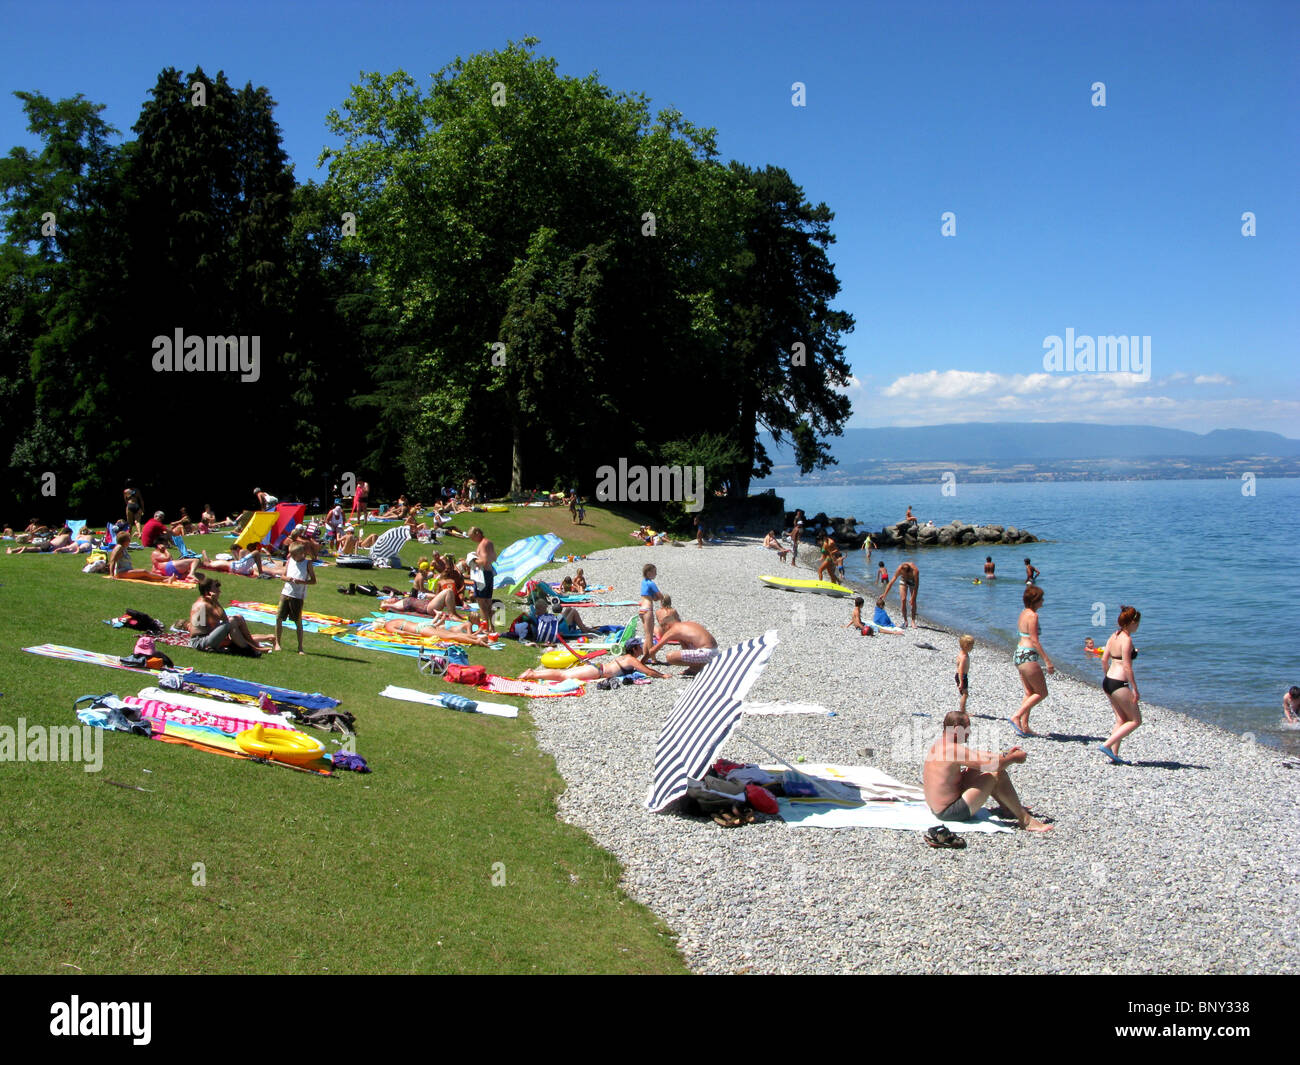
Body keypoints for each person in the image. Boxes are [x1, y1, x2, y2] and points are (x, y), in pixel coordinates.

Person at [922, 711, 1052, 833]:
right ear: (957, 729)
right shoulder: (952, 750)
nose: (970, 732)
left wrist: (1006, 754)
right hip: (949, 812)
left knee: (976, 767)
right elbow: (993, 765)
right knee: (995, 774)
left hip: (938, 807)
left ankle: (1007, 808)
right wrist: (1014, 758)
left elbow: (980, 756)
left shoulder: (941, 744)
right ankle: (1026, 820)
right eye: (967, 728)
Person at [1098, 606, 1143, 764]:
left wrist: (1107, 677)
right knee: (1136, 720)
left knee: (1121, 719)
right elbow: (1127, 666)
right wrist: (1135, 689)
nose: (1138, 626)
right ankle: (1107, 745)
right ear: (1131, 622)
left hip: (1108, 681)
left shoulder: (1113, 636)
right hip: (1119, 682)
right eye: (1137, 623)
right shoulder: (1127, 639)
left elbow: (1104, 660)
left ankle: (1114, 755)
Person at [1011, 584, 1054, 737]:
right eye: (1041, 598)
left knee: (1029, 692)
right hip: (1029, 654)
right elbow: (1035, 641)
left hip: (1019, 653)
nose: (1043, 601)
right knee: (1042, 693)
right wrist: (1047, 661)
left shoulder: (1023, 613)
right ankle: (1016, 716)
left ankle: (1025, 726)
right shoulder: (1033, 616)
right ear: (1035, 600)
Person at [188, 577, 272, 655]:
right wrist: (216, 601)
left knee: (238, 618)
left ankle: (253, 646)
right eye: (216, 588)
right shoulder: (204, 605)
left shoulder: (204, 601)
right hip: (200, 642)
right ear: (208, 592)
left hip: (205, 638)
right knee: (230, 622)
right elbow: (224, 619)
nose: (219, 591)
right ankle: (249, 649)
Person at [520, 653, 668, 683]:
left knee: (563, 674)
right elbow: (647, 671)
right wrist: (662, 675)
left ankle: (534, 673)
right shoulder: (631, 659)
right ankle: (533, 674)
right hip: (597, 671)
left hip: (597, 668)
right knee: (562, 676)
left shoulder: (626, 656)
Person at [642, 619, 719, 675]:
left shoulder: (673, 630)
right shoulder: (687, 624)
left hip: (706, 653)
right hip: (714, 651)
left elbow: (653, 650)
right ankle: (695, 668)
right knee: (685, 645)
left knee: (670, 657)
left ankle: (702, 666)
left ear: (667, 626)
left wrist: (641, 663)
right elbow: (687, 649)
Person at [467, 526, 497, 634]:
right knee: (488, 601)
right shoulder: (489, 543)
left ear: (477, 533)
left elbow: (484, 561)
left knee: (482, 602)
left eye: (472, 537)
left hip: (483, 574)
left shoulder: (483, 543)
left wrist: (472, 560)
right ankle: (492, 628)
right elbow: (494, 558)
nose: (472, 540)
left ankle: (486, 627)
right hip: (489, 573)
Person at [882, 560, 920, 627]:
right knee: (903, 599)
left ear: (908, 571)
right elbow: (891, 582)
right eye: (901, 573)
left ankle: (913, 621)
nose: (902, 574)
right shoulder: (900, 569)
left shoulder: (915, 571)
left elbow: (916, 586)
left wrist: (913, 597)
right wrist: (885, 593)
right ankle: (905, 621)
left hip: (912, 581)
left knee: (913, 601)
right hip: (903, 580)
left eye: (903, 573)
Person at [200, 544, 265, 578]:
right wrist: (204, 554)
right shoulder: (213, 564)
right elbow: (207, 563)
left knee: (256, 554)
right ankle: (261, 573)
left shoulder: (214, 563)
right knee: (256, 553)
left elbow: (208, 561)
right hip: (238, 566)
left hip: (238, 567)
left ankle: (261, 573)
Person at [639, 563, 663, 655]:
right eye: (654, 572)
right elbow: (659, 596)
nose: (656, 574)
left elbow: (649, 595)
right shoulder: (651, 583)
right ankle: (653, 658)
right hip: (648, 609)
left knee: (647, 634)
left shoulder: (643, 582)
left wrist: (655, 598)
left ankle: (646, 656)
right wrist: (663, 599)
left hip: (642, 609)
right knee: (649, 635)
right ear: (649, 573)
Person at [956, 635, 974, 713]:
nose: (973, 648)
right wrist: (961, 682)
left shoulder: (962, 653)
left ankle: (963, 710)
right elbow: (960, 669)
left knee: (964, 693)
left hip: (961, 676)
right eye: (971, 646)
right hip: (962, 676)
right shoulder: (963, 657)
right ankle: (963, 711)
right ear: (966, 646)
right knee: (965, 694)